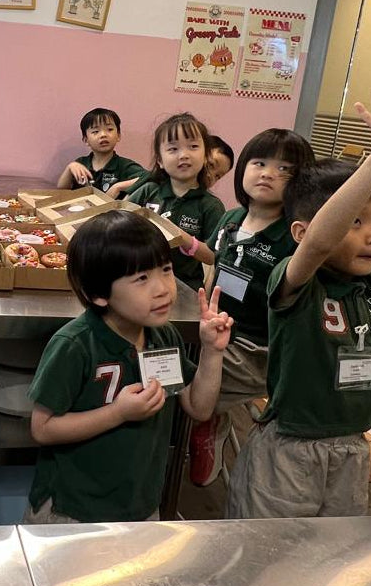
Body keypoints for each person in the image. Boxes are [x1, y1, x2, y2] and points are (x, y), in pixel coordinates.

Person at [227, 87, 371, 518]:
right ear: (298, 232)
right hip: (290, 449)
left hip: (353, 443)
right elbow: (318, 244)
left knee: (334, 552)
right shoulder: (297, 278)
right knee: (267, 554)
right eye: (355, 223)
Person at [23, 210, 232, 524]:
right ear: (99, 294)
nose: (162, 288)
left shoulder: (164, 335)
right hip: (72, 508)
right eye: (141, 279)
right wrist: (118, 413)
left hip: (140, 504)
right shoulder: (75, 345)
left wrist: (212, 352)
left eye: (165, 269)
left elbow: (198, 408)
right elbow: (43, 428)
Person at [189, 128, 314, 487]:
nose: (268, 173)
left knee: (186, 383)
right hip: (216, 328)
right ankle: (205, 419)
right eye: (259, 163)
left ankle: (207, 422)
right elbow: (214, 257)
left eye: (285, 169)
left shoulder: (294, 236)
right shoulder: (231, 218)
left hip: (254, 346)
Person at [128, 112, 226, 291]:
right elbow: (118, 221)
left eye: (193, 146)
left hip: (184, 287)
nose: (184, 155)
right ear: (160, 160)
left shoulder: (211, 205)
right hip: (138, 281)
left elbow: (212, 256)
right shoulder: (148, 191)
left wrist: (182, 237)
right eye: (173, 149)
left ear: (205, 156)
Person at [57, 107, 148, 197]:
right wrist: (69, 168)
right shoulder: (81, 163)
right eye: (96, 131)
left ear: (118, 135)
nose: (103, 135)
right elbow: (62, 190)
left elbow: (151, 178)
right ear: (86, 140)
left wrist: (118, 187)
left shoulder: (124, 166)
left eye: (109, 129)